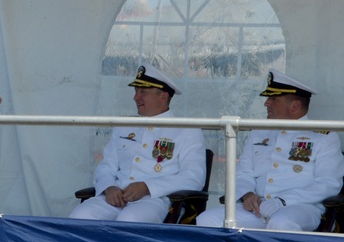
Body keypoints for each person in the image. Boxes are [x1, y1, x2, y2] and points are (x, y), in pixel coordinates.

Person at [197, 70, 344, 231]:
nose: (266, 103)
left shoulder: (323, 136)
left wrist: (283, 201)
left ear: (295, 106)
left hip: (301, 207)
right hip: (257, 207)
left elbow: (328, 183)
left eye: (274, 99)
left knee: (280, 223)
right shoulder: (259, 133)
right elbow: (242, 173)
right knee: (207, 219)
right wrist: (247, 195)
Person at [70, 65, 206, 222]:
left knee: (130, 220)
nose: (136, 97)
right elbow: (107, 166)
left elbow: (194, 177)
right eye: (136, 91)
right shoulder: (124, 126)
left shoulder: (186, 130)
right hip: (117, 196)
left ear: (163, 95)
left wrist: (147, 187)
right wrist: (109, 187)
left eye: (143, 92)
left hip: (155, 199)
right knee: (79, 216)